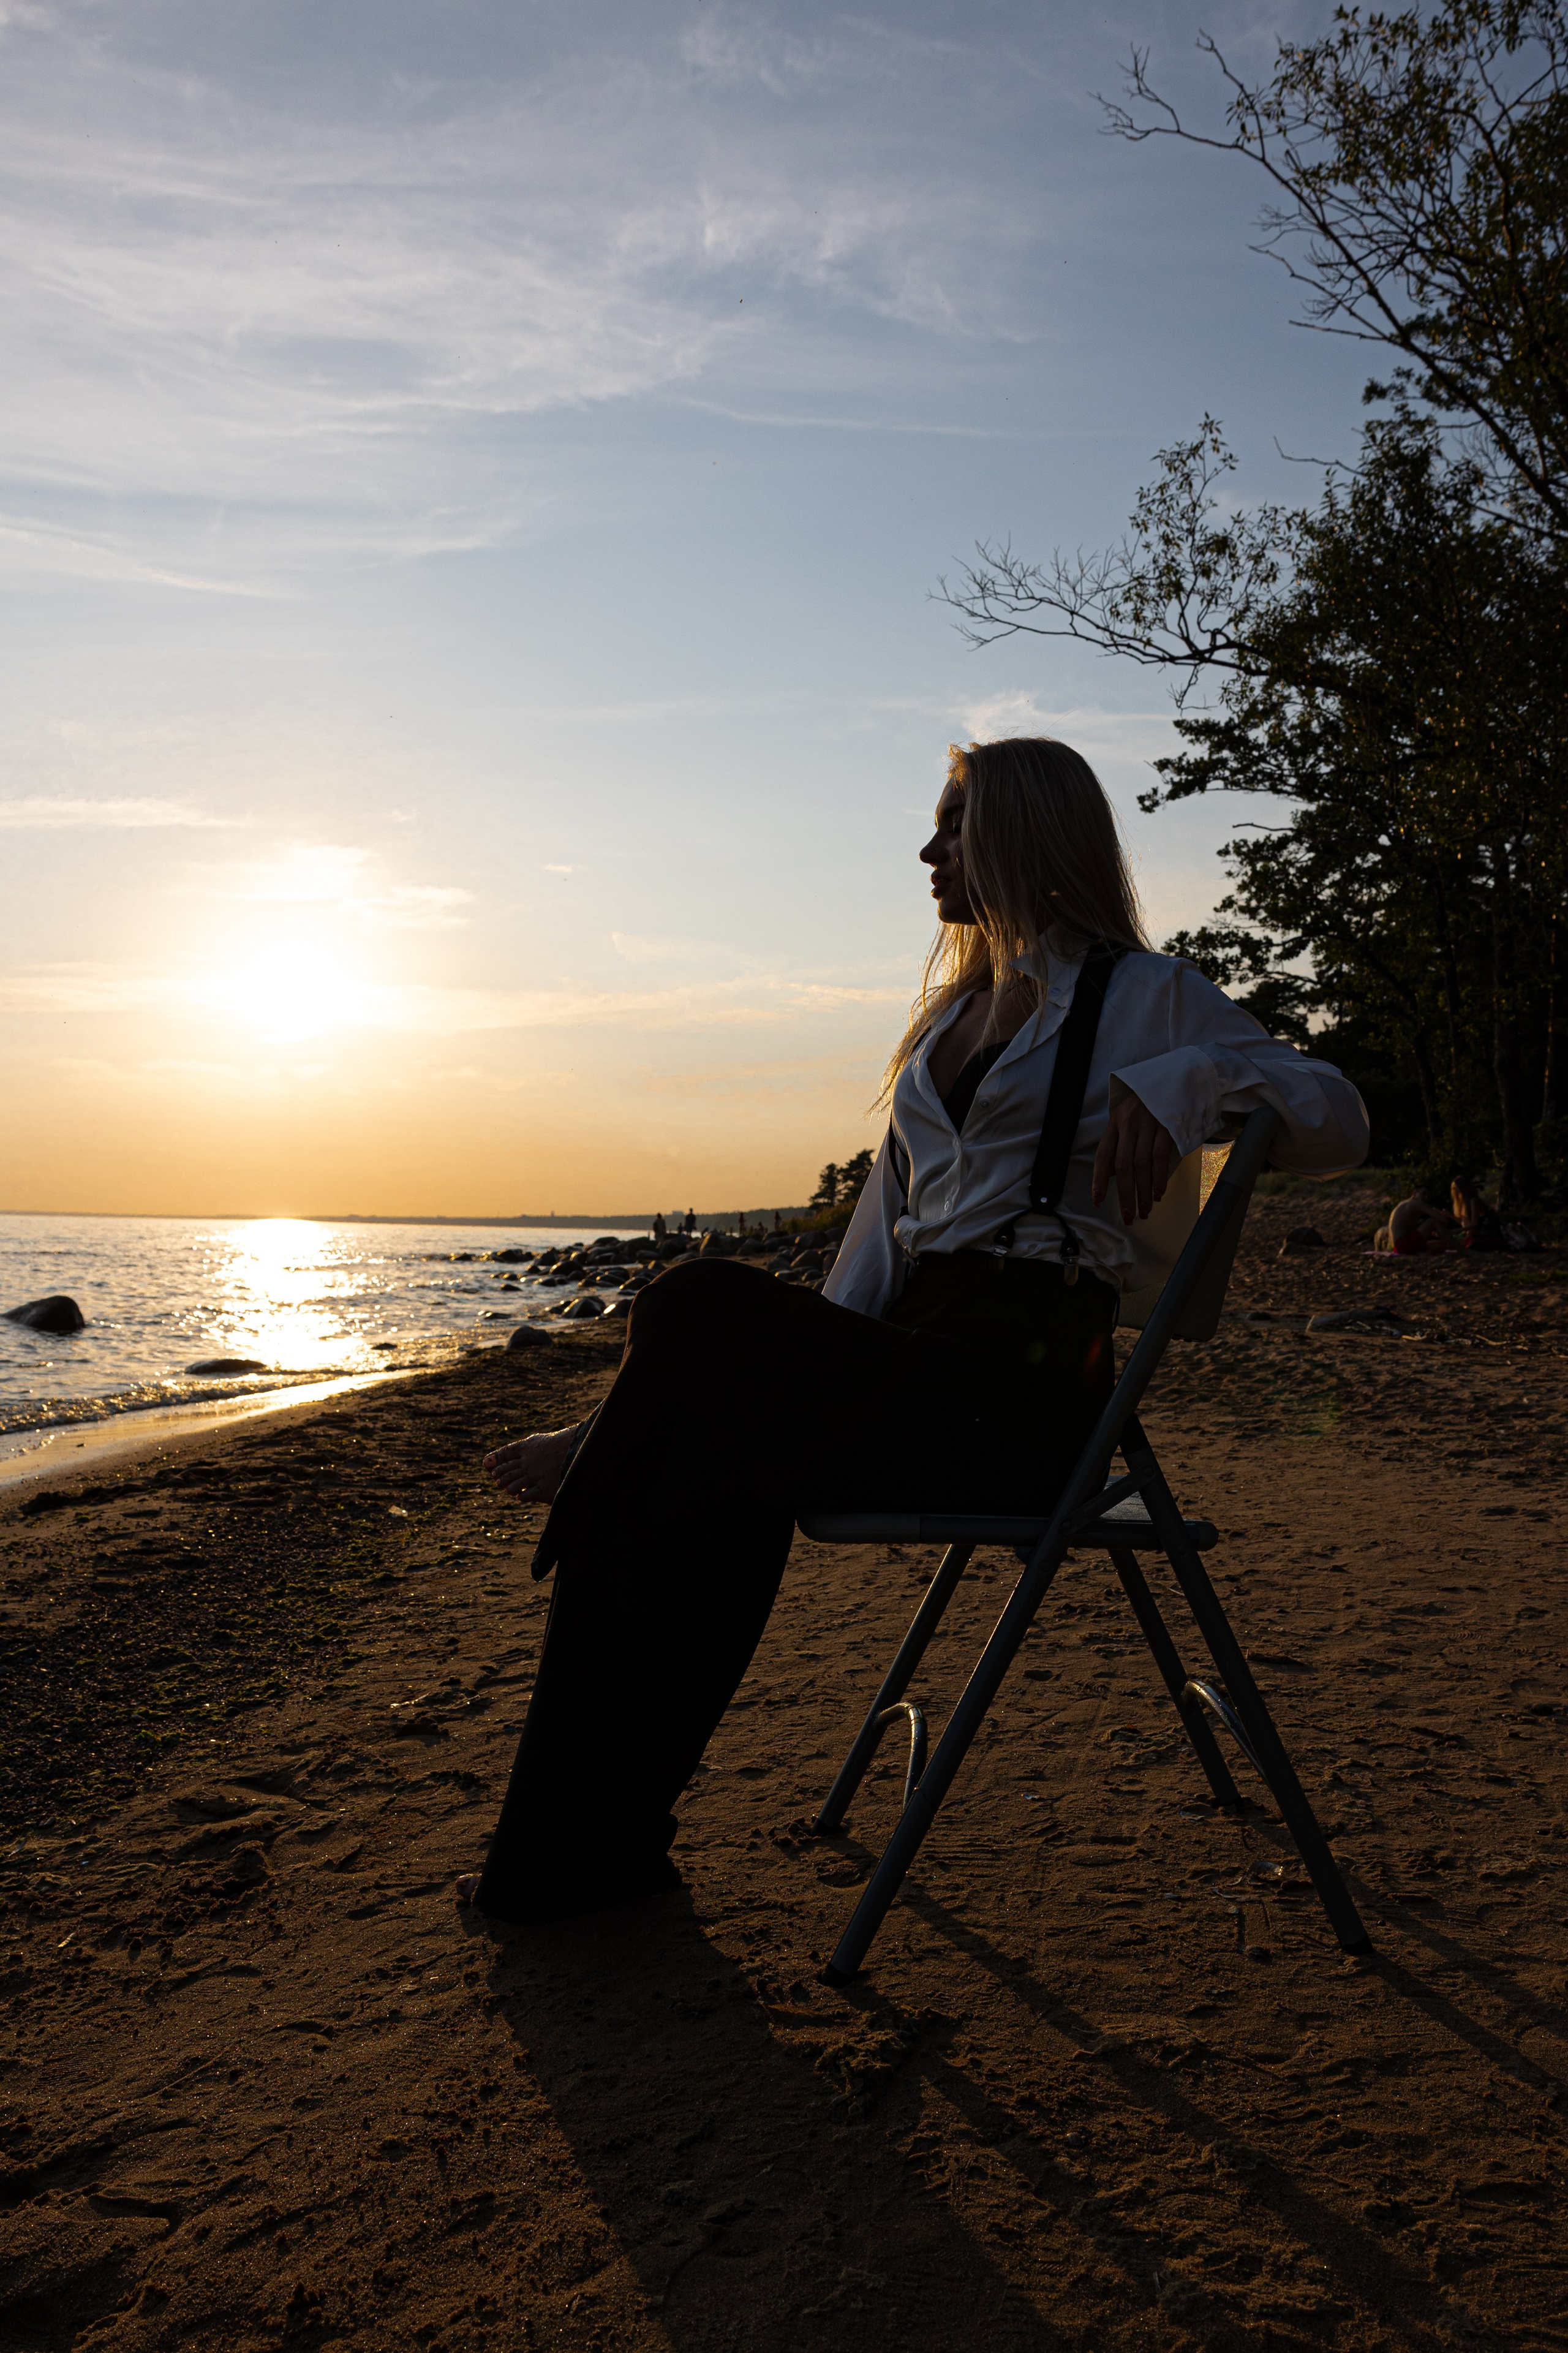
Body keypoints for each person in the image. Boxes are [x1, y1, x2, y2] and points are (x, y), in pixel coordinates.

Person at [462, 736, 1370, 1924]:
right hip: (910, 1370)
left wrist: (1188, 1079)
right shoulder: (944, 1025)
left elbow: (1337, 1115)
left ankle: (600, 1835)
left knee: (687, 1326)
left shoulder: (1143, 998)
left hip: (1033, 1390)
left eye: (954, 824)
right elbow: (860, 1278)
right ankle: (587, 1851)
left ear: (1021, 835)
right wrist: (644, 1407)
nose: (929, 850)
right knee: (685, 1468)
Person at [1389, 1186, 1455, 1256]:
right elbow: (1445, 1220)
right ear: (1414, 1193)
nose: (1426, 1197)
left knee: (1442, 1244)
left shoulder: (1403, 1203)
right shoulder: (1417, 1203)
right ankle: (1463, 1250)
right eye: (1423, 1194)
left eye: (1428, 1196)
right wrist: (1444, 1214)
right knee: (1433, 1222)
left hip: (1396, 1248)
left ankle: (1423, 1253)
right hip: (1403, 1245)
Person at [1450, 1175, 1506, 1250]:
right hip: (1474, 1234)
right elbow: (1466, 1224)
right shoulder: (1465, 1203)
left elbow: (1474, 1224)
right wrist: (1450, 1216)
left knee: (1443, 1244)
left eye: (1456, 1188)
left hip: (1485, 1235)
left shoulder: (1473, 1201)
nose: (1455, 1191)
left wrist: (1456, 1231)